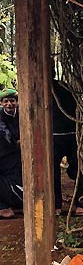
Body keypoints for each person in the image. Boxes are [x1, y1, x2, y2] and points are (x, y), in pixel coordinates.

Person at [52, 79, 83, 215]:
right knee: (77, 168)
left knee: (75, 168)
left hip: (65, 134)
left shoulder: (61, 87)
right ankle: (80, 204)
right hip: (64, 134)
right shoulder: (65, 86)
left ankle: (58, 205)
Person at [0, 88, 22, 218]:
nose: (9, 104)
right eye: (6, 101)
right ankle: (3, 207)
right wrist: (16, 142)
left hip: (15, 156)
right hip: (3, 153)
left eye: (12, 101)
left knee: (15, 180)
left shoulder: (21, 113)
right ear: (2, 103)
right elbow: (4, 132)